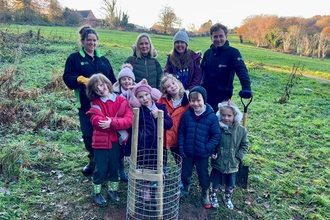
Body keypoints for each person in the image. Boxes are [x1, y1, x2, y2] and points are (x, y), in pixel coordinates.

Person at [63, 26, 117, 177]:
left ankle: (105, 163)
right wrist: (79, 79)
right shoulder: (74, 59)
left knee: (105, 134)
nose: (92, 43)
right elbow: (67, 79)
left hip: (106, 106)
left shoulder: (103, 60)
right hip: (86, 105)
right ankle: (93, 160)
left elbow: (113, 81)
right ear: (83, 41)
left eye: (94, 40)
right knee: (88, 134)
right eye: (89, 40)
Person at [86, 73, 133, 207]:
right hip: (100, 142)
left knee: (114, 166)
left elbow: (128, 120)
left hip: (115, 142)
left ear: (107, 83)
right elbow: (97, 121)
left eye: (101, 85)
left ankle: (113, 190)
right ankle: (96, 192)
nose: (100, 89)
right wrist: (116, 123)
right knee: (100, 168)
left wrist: (111, 122)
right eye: (96, 89)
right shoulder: (95, 103)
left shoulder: (121, 101)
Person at [127, 79, 173, 201]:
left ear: (151, 94)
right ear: (137, 99)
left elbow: (169, 124)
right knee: (145, 170)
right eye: (140, 97)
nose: (145, 99)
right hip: (144, 147)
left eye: (146, 95)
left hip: (159, 146)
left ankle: (159, 190)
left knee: (160, 169)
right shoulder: (138, 112)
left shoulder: (161, 107)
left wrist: (159, 116)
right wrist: (128, 151)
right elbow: (132, 131)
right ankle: (145, 189)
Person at [178, 86, 221, 209]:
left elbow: (216, 135)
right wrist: (181, 147)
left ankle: (205, 193)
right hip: (188, 152)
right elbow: (181, 132)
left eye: (198, 101)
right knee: (185, 172)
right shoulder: (187, 115)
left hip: (202, 154)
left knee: (203, 174)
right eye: (192, 101)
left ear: (204, 100)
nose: (195, 104)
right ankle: (185, 188)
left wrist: (207, 147)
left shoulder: (211, 117)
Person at [201, 23, 252, 112]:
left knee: (222, 122)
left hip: (223, 96)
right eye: (215, 36)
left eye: (221, 36)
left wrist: (246, 87)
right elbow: (200, 72)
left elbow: (241, 70)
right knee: (207, 122)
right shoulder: (208, 53)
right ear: (211, 38)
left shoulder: (233, 53)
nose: (218, 39)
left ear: (226, 36)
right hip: (206, 96)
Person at [209, 100, 248, 209]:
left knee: (230, 183)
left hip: (232, 163)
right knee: (215, 181)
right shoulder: (216, 128)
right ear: (219, 115)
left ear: (235, 116)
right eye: (223, 115)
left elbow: (244, 146)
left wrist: (238, 158)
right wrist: (213, 153)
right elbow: (212, 142)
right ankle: (213, 195)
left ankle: (227, 197)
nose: (226, 118)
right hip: (219, 161)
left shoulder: (241, 131)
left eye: (229, 115)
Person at [158, 74, 190, 164]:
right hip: (164, 134)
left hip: (179, 135)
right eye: (168, 86)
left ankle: (182, 175)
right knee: (161, 159)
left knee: (180, 159)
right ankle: (163, 174)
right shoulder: (162, 100)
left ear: (178, 83)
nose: (172, 86)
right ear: (165, 90)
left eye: (173, 83)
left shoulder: (188, 100)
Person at [112, 63, 136, 182]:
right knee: (121, 146)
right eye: (124, 79)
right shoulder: (115, 92)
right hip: (120, 124)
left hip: (134, 123)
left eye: (129, 79)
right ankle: (121, 169)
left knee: (132, 145)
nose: (127, 82)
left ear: (133, 80)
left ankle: (133, 168)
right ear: (120, 81)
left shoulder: (137, 90)